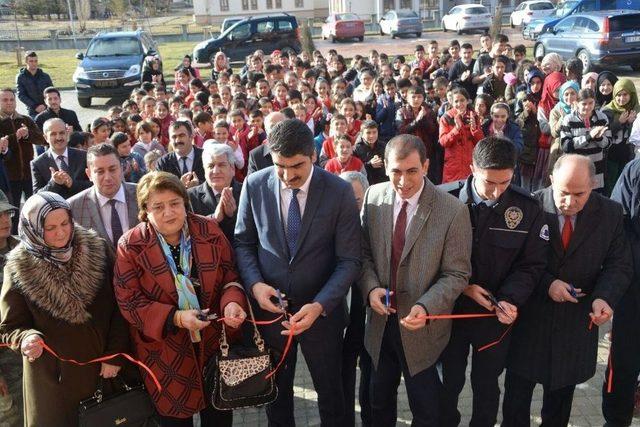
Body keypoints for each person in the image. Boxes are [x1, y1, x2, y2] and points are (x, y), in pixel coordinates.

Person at [234, 119, 361, 426]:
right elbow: (243, 242)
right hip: (271, 316)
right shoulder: (254, 185)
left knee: (332, 398)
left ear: (313, 156)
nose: (288, 176)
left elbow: (349, 261)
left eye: (297, 167)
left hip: (323, 317)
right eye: (280, 166)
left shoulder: (338, 192)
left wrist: (320, 305)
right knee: (276, 399)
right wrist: (254, 285)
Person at [503, 154, 632, 426]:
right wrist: (547, 283)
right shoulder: (531, 206)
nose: (569, 202)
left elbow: (619, 264)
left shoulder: (609, 213)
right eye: (563, 193)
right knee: (516, 401)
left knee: (559, 406)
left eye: (579, 194)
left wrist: (604, 298)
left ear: (593, 185)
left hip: (575, 324)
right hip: (530, 323)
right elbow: (512, 263)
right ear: (551, 180)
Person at [113, 171, 247, 426]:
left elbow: (231, 273)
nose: (169, 213)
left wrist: (231, 301)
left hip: (214, 344)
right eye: (158, 207)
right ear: (145, 211)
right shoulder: (131, 245)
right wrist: (175, 317)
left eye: (175, 203)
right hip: (166, 353)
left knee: (218, 416)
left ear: (185, 203)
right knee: (175, 421)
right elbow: (128, 300)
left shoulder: (208, 230)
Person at [359, 134, 472, 426]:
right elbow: (363, 254)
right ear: (385, 167)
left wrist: (427, 305)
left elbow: (457, 273)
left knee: (426, 410)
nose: (403, 181)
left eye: (412, 171)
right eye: (396, 171)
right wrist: (371, 289)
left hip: (423, 331)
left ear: (425, 166)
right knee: (378, 402)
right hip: (380, 327)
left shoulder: (452, 210)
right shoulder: (373, 197)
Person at [439, 137, 548, 427]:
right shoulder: (443, 200)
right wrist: (463, 286)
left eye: (506, 182)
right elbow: (430, 257)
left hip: (493, 316)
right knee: (447, 382)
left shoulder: (527, 208)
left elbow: (531, 264)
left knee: (486, 386)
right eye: (489, 182)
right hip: (450, 311)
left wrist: (510, 299)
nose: (497, 191)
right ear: (472, 168)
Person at [0, 191, 129, 427]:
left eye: (65, 223)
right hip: (54, 381)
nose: (60, 233)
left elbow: (121, 306)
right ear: (33, 228)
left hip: (105, 369)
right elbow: (11, 327)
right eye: (50, 228)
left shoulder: (97, 249)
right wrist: (27, 338)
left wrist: (115, 354)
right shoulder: (18, 268)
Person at [604, 159, 640, 426]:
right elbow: (619, 224)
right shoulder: (635, 170)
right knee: (624, 359)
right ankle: (616, 420)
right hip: (634, 287)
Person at [339, 171, 372, 427]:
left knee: (372, 378)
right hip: (344, 314)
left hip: (372, 312)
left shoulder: (376, 222)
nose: (351, 206)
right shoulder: (330, 222)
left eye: (357, 200)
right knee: (344, 375)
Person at [67, 143, 139, 247]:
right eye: (100, 172)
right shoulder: (73, 207)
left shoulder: (143, 194)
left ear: (122, 168)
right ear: (89, 174)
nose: (107, 177)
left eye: (112, 169)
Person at [0, 88, 46, 211]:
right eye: (5, 100)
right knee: (12, 212)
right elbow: (2, 145)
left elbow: (43, 139)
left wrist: (27, 134)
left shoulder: (25, 119)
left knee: (34, 209)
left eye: (11, 100)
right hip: (9, 177)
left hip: (29, 174)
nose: (9, 102)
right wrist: (16, 136)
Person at [560, 88, 611, 193]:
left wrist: (599, 138)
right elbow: (566, 145)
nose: (587, 107)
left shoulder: (602, 118)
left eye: (591, 103)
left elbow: (608, 144)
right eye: (584, 104)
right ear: (577, 103)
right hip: (576, 167)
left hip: (597, 168)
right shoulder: (569, 120)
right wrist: (588, 137)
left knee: (595, 201)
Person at [187, 143, 241, 243]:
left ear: (232, 169)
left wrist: (232, 215)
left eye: (221, 165)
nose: (216, 171)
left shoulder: (246, 193)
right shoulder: (190, 196)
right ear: (204, 170)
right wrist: (214, 218)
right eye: (211, 166)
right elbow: (188, 233)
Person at [0, 190, 22, 426]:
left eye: (7, 213)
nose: (5, 220)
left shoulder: (23, 250)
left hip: (32, 355)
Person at [31, 118, 92, 199]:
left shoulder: (83, 156)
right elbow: (36, 196)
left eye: (61, 133)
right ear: (46, 137)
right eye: (53, 134)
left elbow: (95, 184)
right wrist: (53, 183)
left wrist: (73, 184)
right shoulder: (37, 163)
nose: (59, 138)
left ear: (67, 134)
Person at [156, 121, 205, 188]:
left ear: (191, 137)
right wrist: (179, 186)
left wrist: (198, 185)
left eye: (181, 135)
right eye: (174, 137)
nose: (177, 140)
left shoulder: (205, 156)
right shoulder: (163, 162)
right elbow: (160, 189)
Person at [15, 51, 53, 119]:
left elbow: (52, 92)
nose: (34, 63)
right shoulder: (20, 77)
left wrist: (45, 105)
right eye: (31, 61)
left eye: (36, 61)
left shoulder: (45, 76)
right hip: (33, 110)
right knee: (36, 128)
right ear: (26, 62)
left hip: (47, 108)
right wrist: (35, 106)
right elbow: (21, 95)